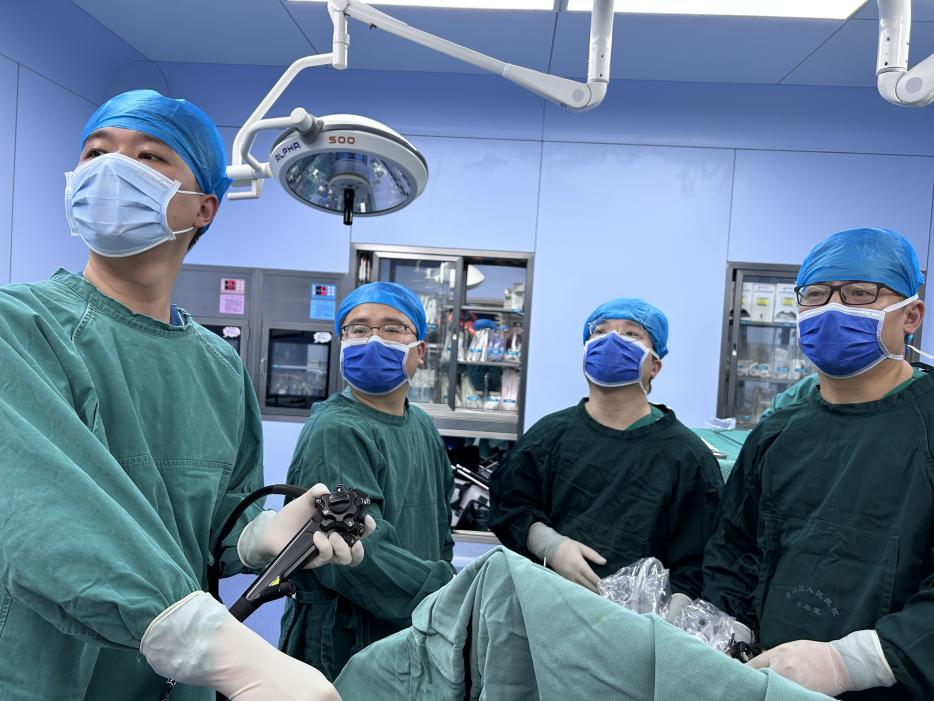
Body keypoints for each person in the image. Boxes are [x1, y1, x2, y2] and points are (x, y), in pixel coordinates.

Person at [0, 89, 374, 701]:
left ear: (203, 208)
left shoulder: (218, 367)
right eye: (95, 153)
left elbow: (210, 524)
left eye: (149, 157)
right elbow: (44, 515)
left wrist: (260, 536)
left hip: (173, 685)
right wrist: (224, 653)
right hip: (45, 674)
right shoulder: (18, 326)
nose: (111, 169)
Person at [703, 227, 934, 700]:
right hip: (768, 679)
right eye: (815, 294)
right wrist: (730, 631)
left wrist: (856, 662)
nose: (831, 308)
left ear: (911, 315)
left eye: (858, 293)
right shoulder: (777, 433)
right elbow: (734, 549)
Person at [279, 282, 456, 680]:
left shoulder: (421, 426)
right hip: (345, 639)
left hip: (413, 624)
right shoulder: (337, 430)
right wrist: (447, 593)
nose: (373, 340)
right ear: (343, 344)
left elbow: (440, 528)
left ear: (421, 352)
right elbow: (355, 550)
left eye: (392, 328)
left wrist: (441, 598)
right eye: (358, 329)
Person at [488, 298, 722, 597]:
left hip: (639, 620)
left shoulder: (686, 456)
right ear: (586, 352)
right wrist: (551, 546)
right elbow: (509, 506)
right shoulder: (549, 436)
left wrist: (669, 614)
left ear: (655, 366)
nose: (612, 340)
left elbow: (701, 560)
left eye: (631, 334)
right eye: (600, 332)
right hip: (547, 606)